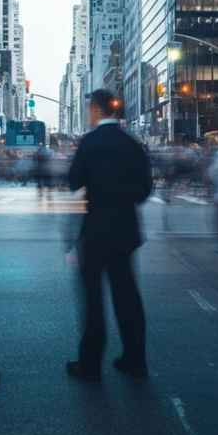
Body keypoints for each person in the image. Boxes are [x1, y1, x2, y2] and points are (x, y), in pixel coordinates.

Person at [66, 89, 152, 381]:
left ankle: (90, 365)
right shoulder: (132, 144)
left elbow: (73, 181)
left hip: (95, 232)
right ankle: (134, 359)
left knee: (93, 301)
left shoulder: (89, 143)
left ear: (96, 110)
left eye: (90, 109)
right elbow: (145, 189)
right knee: (127, 296)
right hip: (125, 230)